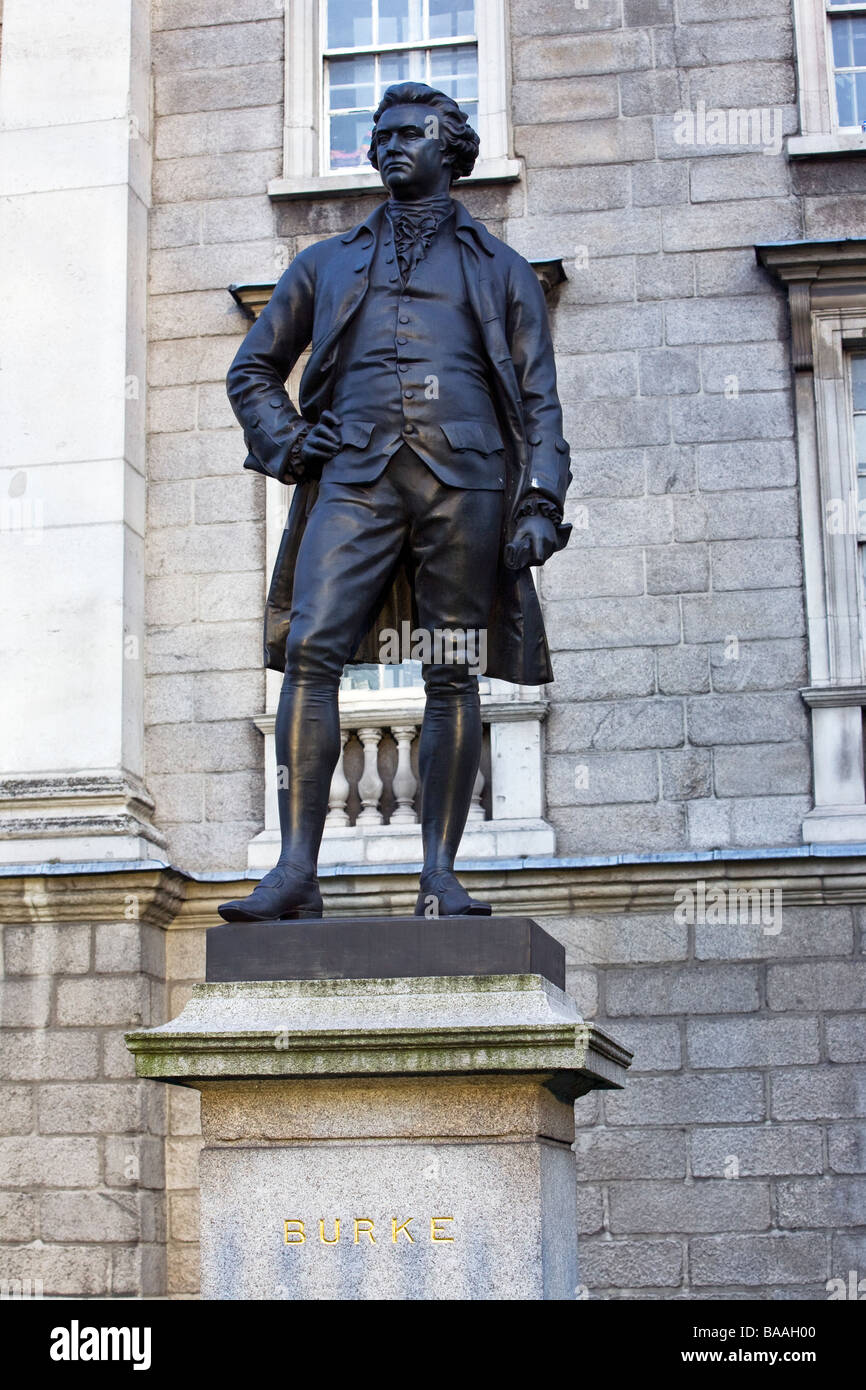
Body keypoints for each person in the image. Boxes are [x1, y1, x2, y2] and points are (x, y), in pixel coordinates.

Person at [218, 82, 571, 923]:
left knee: (453, 670)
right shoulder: (327, 261)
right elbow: (252, 369)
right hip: (355, 478)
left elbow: (542, 399)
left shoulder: (503, 270)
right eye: (375, 135)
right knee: (311, 651)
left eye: (406, 132)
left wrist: (540, 503)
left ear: (449, 147)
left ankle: (440, 878)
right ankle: (295, 871)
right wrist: (289, 439)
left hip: (468, 486)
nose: (385, 145)